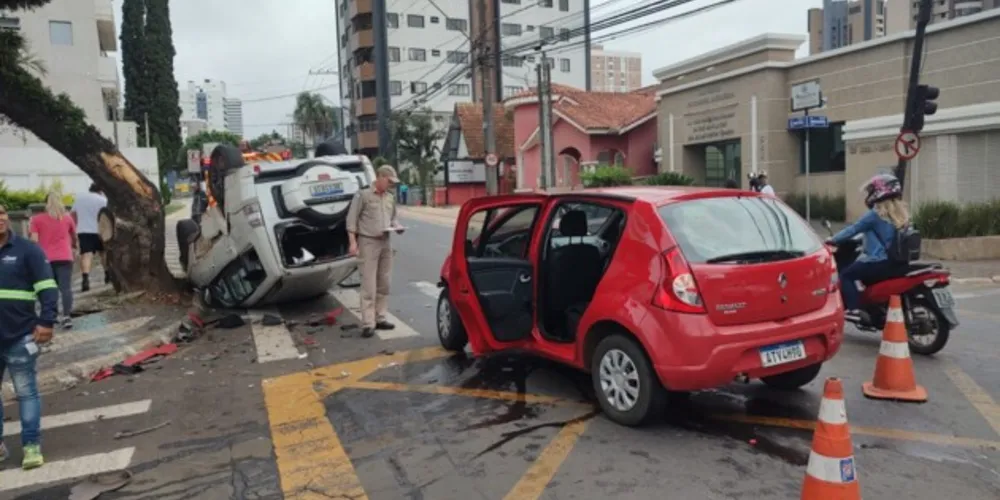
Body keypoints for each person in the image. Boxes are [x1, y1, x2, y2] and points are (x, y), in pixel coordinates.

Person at [0, 203, 57, 470]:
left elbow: (47, 286)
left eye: (1, 213)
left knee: (26, 392)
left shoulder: (27, 250)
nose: (0, 218)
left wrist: (46, 321)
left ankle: (31, 445)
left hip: (20, 336)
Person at [826, 173, 909, 318]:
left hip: (878, 261)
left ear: (878, 192)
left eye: (871, 190)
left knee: (846, 275)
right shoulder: (902, 214)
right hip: (896, 262)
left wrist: (832, 240)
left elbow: (852, 230)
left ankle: (854, 309)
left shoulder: (875, 214)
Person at [346, 165, 405, 338]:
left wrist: (398, 227)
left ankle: (380, 318)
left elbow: (393, 218)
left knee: (384, 282)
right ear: (379, 177)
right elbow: (351, 220)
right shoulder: (363, 195)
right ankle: (368, 323)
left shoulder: (390, 198)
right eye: (389, 181)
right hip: (368, 242)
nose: (391, 185)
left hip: (386, 241)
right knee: (368, 285)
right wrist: (352, 243)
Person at [30, 192, 77, 329]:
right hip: (65, 257)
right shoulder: (67, 219)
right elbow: (74, 237)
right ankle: (67, 316)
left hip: (45, 259)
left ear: (45, 204)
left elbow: (34, 240)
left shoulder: (36, 219)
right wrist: (74, 246)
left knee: (49, 288)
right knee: (66, 288)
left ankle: (52, 315)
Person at [72, 184, 108, 292]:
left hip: (84, 230)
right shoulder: (103, 200)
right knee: (104, 254)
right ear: (100, 191)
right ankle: (107, 275)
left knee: (86, 255)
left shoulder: (79, 199)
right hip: (101, 231)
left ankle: (85, 279)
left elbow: (73, 215)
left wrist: (75, 228)